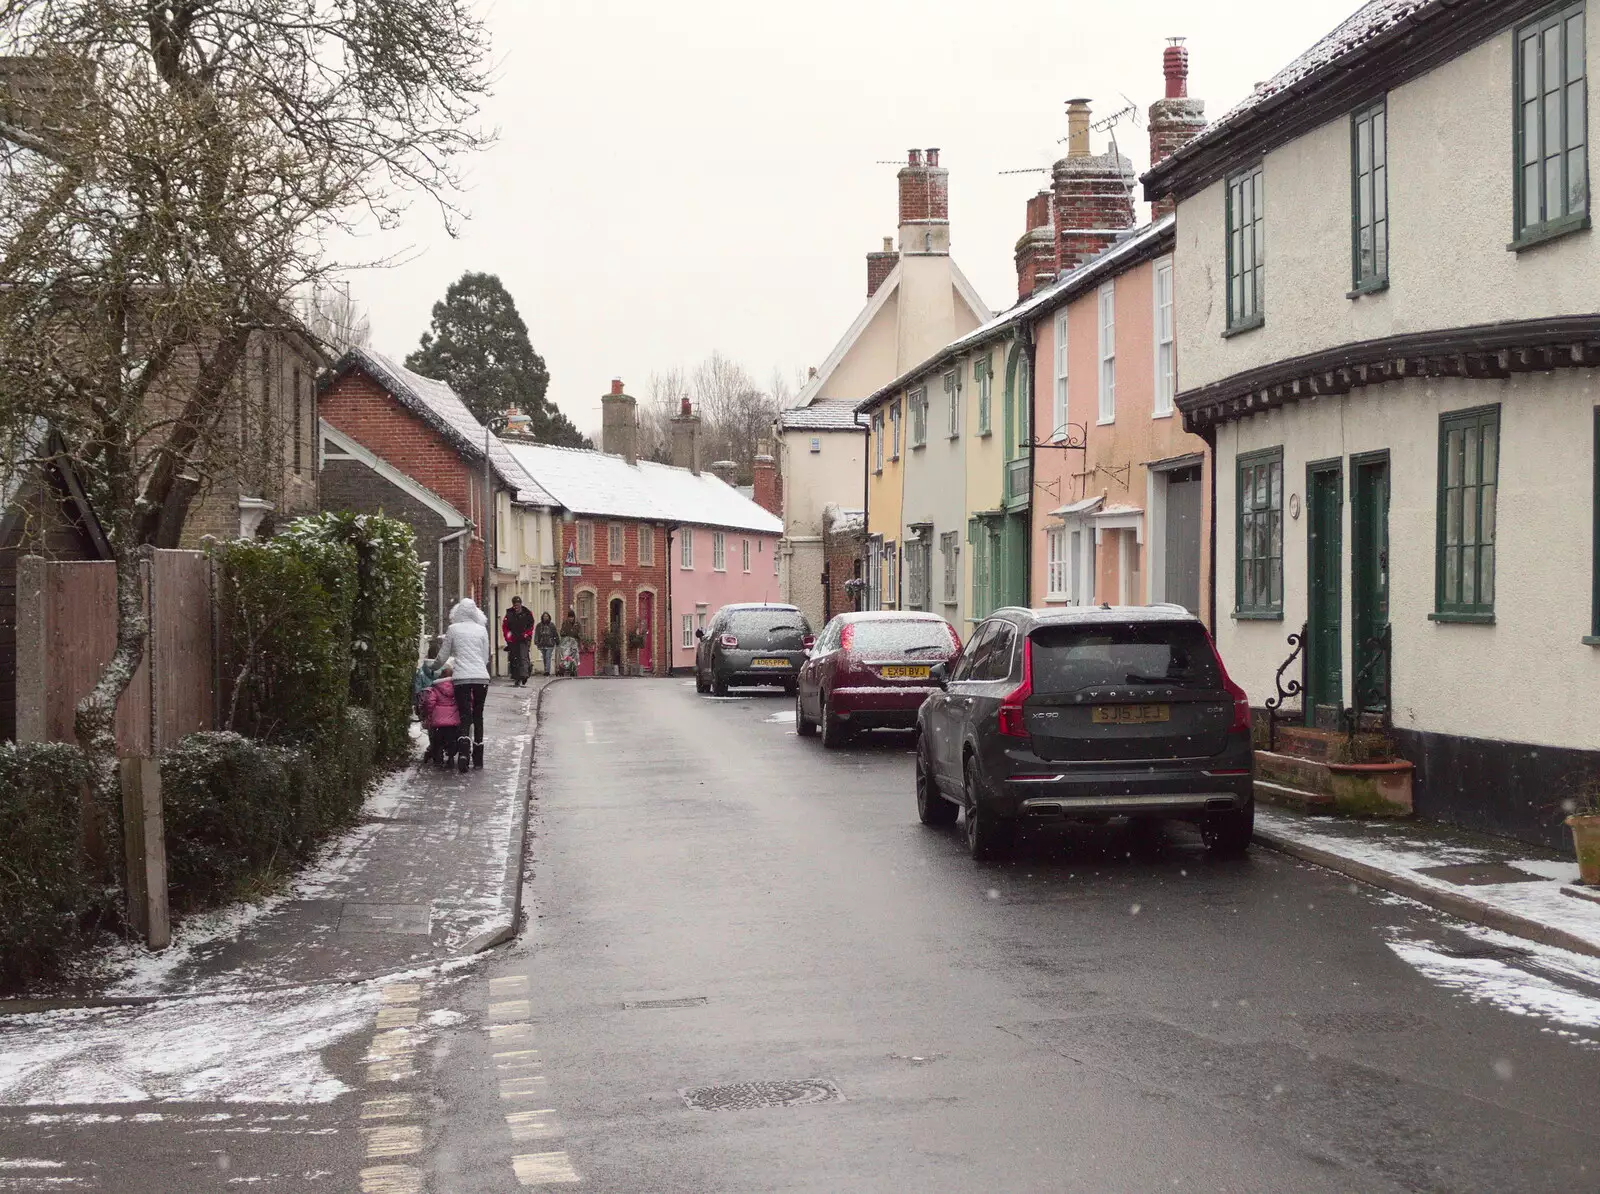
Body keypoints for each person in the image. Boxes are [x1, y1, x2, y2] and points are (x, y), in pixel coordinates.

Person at [436, 596, 491, 771]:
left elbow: (443, 656)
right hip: (481, 678)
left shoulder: (452, 629)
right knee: (478, 715)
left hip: (461, 679)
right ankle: (478, 756)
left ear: (458, 612)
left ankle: (464, 753)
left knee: (464, 715)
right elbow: (485, 657)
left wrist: (432, 667)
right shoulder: (482, 630)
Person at [417, 663, 460, 768]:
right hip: (453, 721)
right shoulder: (457, 688)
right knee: (452, 740)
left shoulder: (435, 688)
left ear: (441, 676)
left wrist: (429, 714)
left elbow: (430, 702)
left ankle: (438, 759)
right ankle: (450, 757)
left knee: (438, 741)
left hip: (438, 722)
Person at [502, 596, 535, 687]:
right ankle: (517, 677)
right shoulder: (509, 614)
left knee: (523, 657)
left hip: (524, 639)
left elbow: (531, 625)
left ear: (520, 604)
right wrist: (508, 636)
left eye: (517, 605)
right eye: (514, 605)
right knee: (514, 658)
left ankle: (524, 675)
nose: (516, 607)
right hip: (513, 639)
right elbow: (505, 627)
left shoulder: (527, 613)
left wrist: (526, 634)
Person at [533, 611, 559, 676]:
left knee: (548, 657)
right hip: (542, 644)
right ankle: (546, 669)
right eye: (544, 616)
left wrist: (557, 641)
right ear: (542, 617)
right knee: (544, 657)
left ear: (549, 617)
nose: (545, 617)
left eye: (547, 616)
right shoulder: (539, 625)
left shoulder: (552, 625)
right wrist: (536, 641)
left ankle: (547, 671)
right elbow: (537, 634)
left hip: (550, 643)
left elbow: (555, 634)